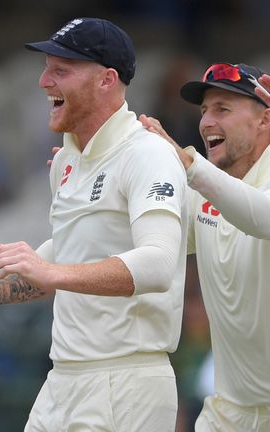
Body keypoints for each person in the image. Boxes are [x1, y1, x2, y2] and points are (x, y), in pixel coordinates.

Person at [0, 17, 188, 431]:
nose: (44, 81)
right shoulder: (66, 162)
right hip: (63, 378)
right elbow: (67, 255)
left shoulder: (148, 154)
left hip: (126, 383)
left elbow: (158, 265)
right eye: (47, 68)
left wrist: (51, 270)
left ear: (106, 80)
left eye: (60, 70)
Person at [140, 62, 270, 431]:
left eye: (222, 109)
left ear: (264, 121)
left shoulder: (203, 178)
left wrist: (186, 162)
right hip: (227, 413)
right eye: (204, 111)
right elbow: (146, 243)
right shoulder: (207, 190)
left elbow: (260, 215)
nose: (206, 122)